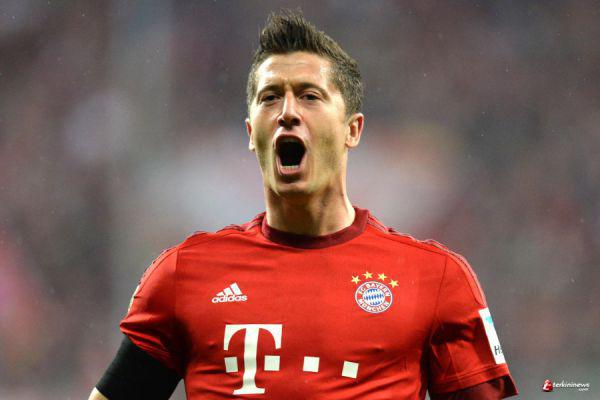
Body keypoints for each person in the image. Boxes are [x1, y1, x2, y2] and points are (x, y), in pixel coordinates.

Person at [89, 11, 518, 400]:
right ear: (251, 133)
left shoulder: (437, 278)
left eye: (310, 96)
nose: (287, 112)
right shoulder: (183, 275)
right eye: (270, 97)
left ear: (352, 130)